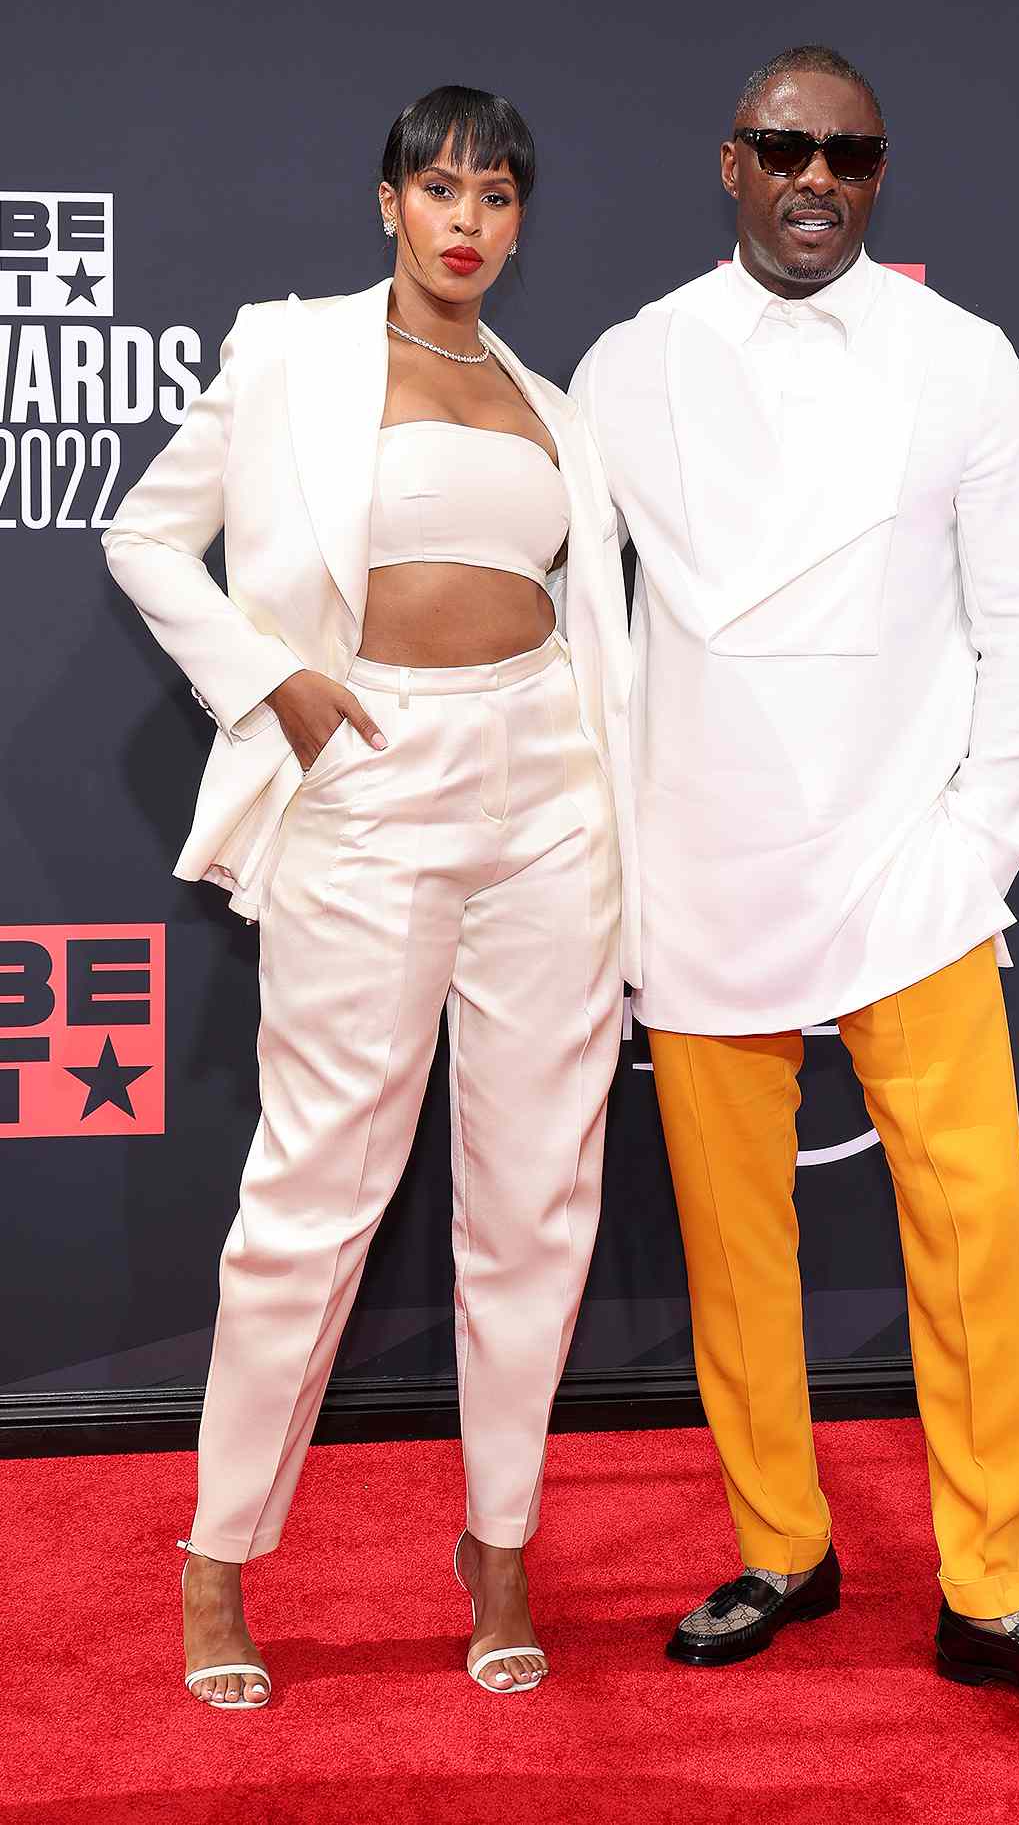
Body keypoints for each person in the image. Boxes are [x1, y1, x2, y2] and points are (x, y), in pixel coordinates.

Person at [572, 45, 1019, 1696]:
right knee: (735, 1243)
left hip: (911, 862)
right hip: (696, 858)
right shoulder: (630, 362)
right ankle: (780, 1549)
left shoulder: (966, 359)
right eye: (785, 146)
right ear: (731, 162)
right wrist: (613, 850)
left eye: (852, 154)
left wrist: (980, 837)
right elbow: (582, 627)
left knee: (977, 1232)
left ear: (879, 176)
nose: (818, 176)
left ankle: (994, 1585)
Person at [103, 84, 639, 1706]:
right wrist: (272, 682)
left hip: (548, 794)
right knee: (313, 1191)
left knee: (537, 1197)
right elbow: (144, 538)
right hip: (367, 783)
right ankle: (218, 1558)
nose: (466, 216)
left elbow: (599, 626)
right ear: (387, 203)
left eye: (496, 193)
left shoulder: (560, 409)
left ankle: (497, 1543)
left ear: (522, 223)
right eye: (438, 186)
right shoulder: (287, 356)